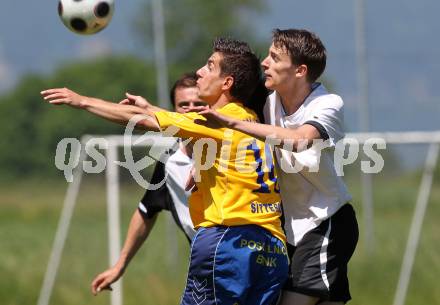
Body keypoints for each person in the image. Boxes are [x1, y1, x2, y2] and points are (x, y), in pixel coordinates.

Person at [41, 37, 288, 305]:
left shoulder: (213, 122)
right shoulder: (253, 121)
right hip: (272, 249)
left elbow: (138, 120)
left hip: (227, 241)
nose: (200, 73)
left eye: (209, 66)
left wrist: (81, 100)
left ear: (227, 83)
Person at [195, 29, 359, 305]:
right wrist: (203, 161)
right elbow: (238, 135)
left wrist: (231, 122)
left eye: (274, 57)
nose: (265, 63)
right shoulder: (267, 99)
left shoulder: (327, 104)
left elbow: (300, 140)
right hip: (288, 230)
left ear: (299, 70)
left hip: (324, 223)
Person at [89, 72, 206, 295]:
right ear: (173, 111)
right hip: (206, 260)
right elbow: (146, 210)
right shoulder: (170, 161)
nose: (191, 109)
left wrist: (82, 102)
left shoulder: (229, 145)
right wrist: (119, 265)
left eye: (198, 103)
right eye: (184, 105)